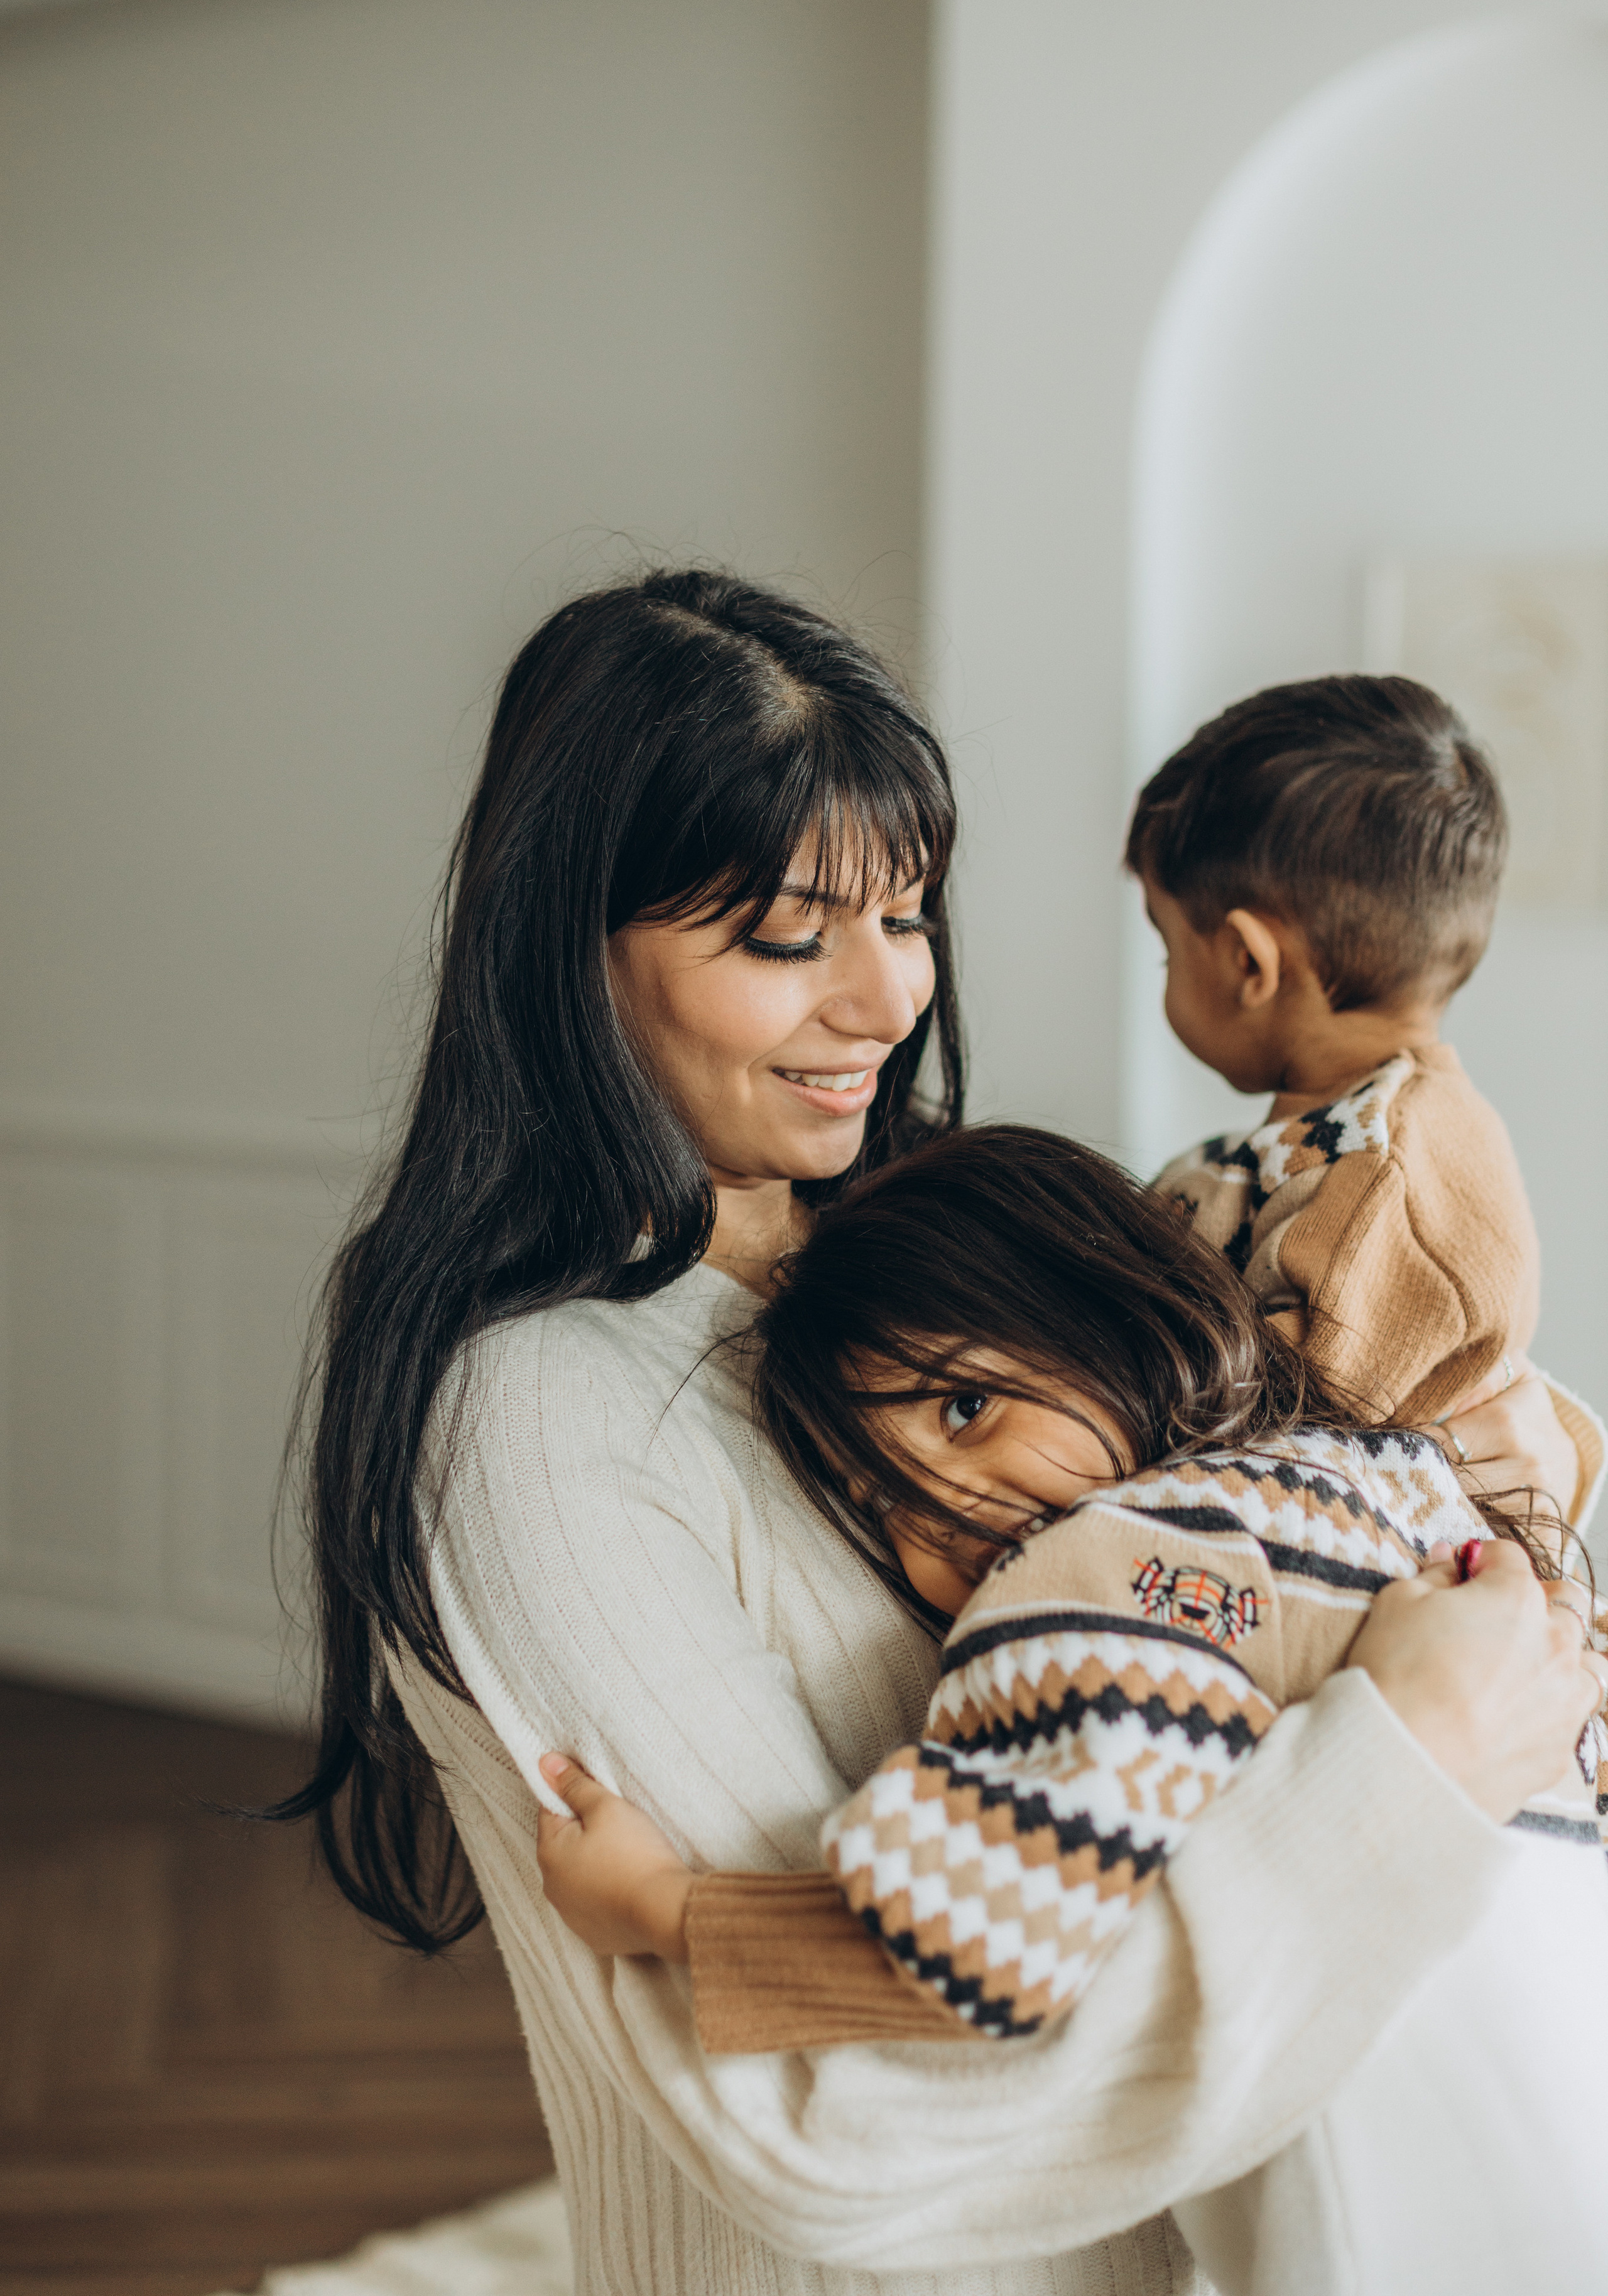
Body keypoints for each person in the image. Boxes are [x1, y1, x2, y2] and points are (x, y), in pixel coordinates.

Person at [280, 568, 1602, 2296]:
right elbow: (828, 2129)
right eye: (782, 937)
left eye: (906, 914)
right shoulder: (539, 1411)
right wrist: (1410, 1753)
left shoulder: (932, 1243)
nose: (885, 997)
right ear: (570, 948)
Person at [532, 1125, 1608, 2295]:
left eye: (962, 1408)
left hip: (1403, 2221)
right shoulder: (1386, 1487)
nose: (942, 1506)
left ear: (1103, 1303)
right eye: (878, 1499)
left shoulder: (1115, 1574)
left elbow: (997, 1941)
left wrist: (666, 1909)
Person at [1129, 675, 1535, 1427]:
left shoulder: (1387, 1178)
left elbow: (1277, 1430)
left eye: (1167, 948)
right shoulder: (1332, 1140)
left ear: (1249, 964)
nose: (1164, 974)